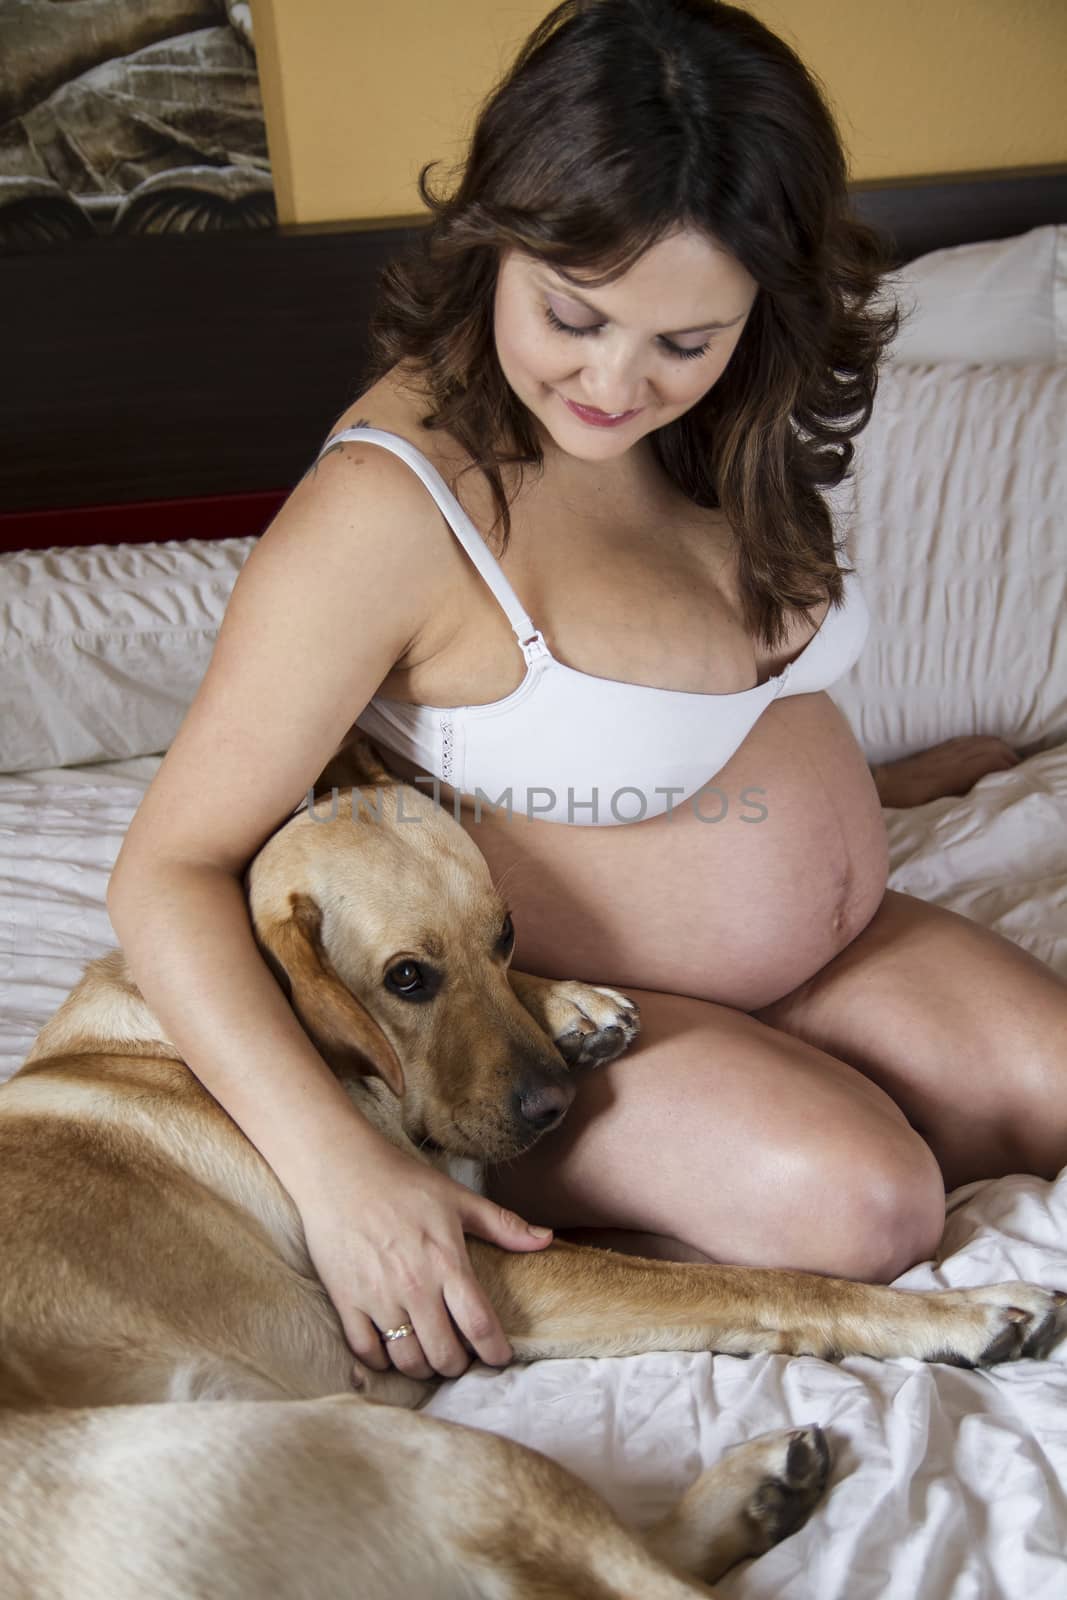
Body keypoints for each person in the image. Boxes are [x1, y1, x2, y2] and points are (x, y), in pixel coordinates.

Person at [107, 0, 1065, 1389]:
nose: (617, 382)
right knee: (868, 1207)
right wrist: (339, 1175)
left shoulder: (723, 422)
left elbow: (711, 707)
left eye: (686, 339)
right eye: (575, 315)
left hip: (826, 956)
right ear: (497, 236)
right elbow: (167, 871)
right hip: (571, 1017)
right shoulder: (394, 506)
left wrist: (886, 793)